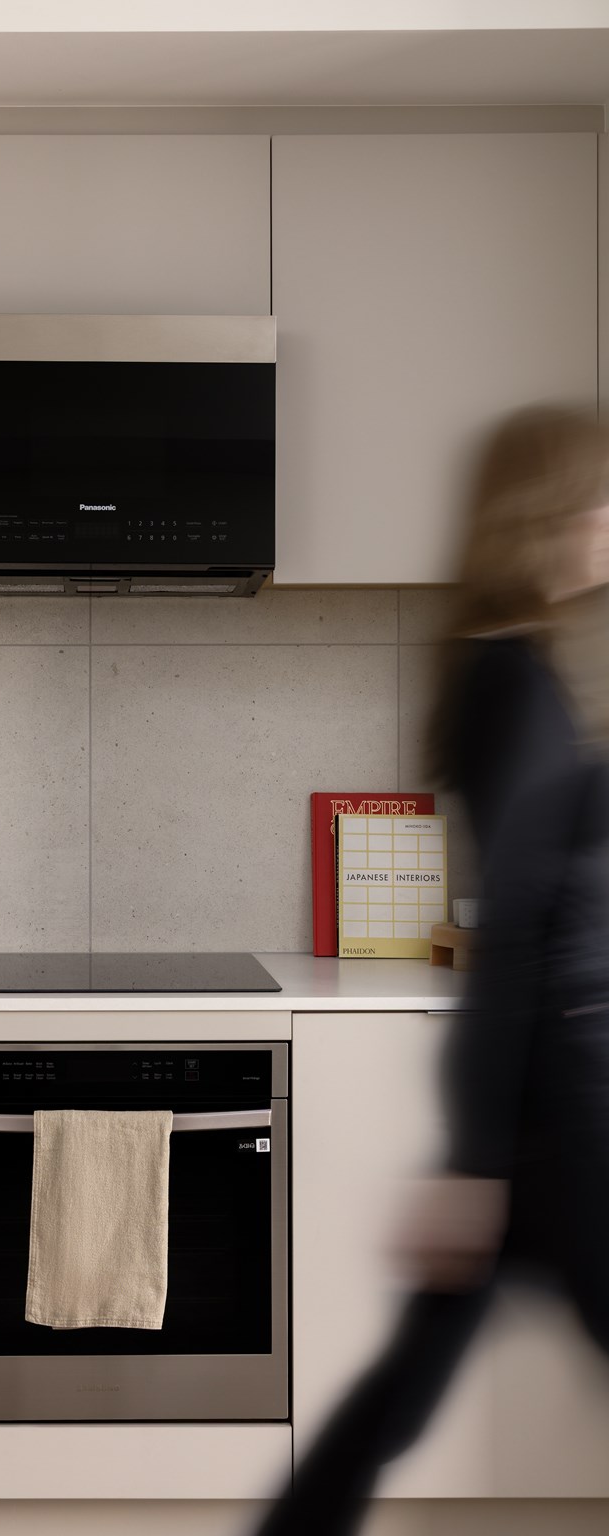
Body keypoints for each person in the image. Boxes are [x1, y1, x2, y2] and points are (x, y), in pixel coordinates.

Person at [255, 405, 609, 1536]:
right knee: (399, 1397)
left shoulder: (516, 671)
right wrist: (474, 1159)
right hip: (562, 1121)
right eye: (601, 499)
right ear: (549, 512)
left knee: (398, 1397)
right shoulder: (514, 684)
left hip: (543, 1117)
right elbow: (515, 936)